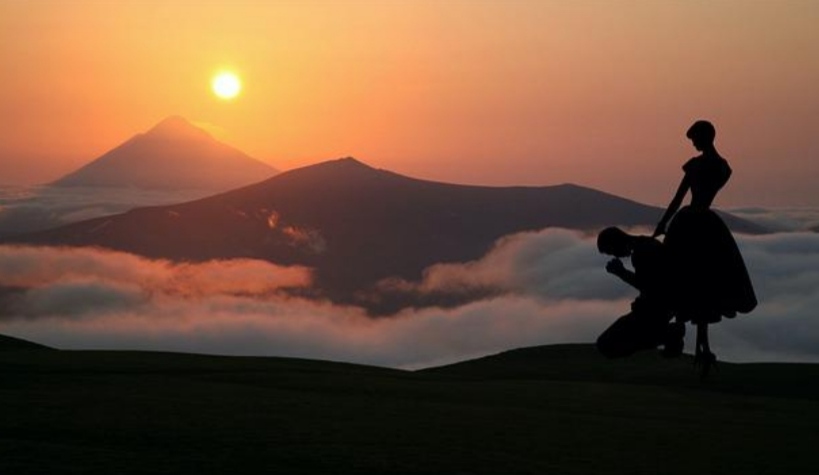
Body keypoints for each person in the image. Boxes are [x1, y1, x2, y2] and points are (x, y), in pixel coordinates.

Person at [653, 120, 757, 376]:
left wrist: (663, 223)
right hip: (707, 225)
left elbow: (678, 199)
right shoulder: (723, 168)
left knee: (683, 278)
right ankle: (701, 346)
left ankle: (687, 342)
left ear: (704, 137)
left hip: (688, 225)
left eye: (694, 139)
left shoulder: (697, 165)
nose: (694, 144)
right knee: (705, 284)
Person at [595, 227, 684, 358]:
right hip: (662, 309)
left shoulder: (642, 252)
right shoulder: (647, 244)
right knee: (609, 345)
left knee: (605, 345)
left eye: (612, 251)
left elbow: (648, 286)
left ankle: (667, 335)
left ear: (616, 243)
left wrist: (621, 272)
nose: (615, 255)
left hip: (653, 312)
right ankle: (665, 335)